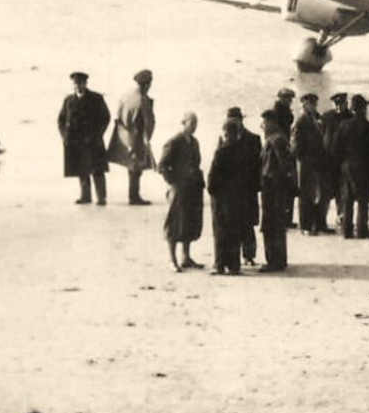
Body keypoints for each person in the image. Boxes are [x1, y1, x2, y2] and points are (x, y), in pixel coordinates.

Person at [206, 118, 257, 275]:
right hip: (239, 198)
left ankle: (220, 264)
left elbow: (212, 179)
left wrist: (214, 192)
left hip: (222, 199)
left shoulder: (221, 152)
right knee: (235, 232)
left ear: (226, 133)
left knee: (221, 232)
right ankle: (234, 266)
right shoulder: (244, 151)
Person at [157, 111, 206, 272]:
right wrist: (173, 182)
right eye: (191, 123)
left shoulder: (194, 142)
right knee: (174, 222)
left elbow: (197, 163)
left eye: (196, 124)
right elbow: (162, 166)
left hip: (192, 188)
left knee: (189, 221)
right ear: (183, 123)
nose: (194, 126)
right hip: (178, 188)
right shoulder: (174, 142)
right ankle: (172, 260)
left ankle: (186, 257)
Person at [58, 71, 110, 205]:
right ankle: (85, 196)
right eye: (75, 84)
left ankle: (101, 198)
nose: (78, 86)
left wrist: (98, 134)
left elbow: (105, 117)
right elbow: (61, 120)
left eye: (80, 83)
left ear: (85, 84)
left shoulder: (96, 99)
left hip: (93, 140)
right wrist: (65, 136)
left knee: (97, 170)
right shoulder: (69, 100)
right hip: (76, 141)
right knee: (81, 169)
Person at [107, 69, 157, 205]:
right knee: (136, 168)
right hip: (137, 136)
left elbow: (118, 115)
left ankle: (133, 195)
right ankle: (134, 197)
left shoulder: (127, 95)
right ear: (147, 84)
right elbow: (145, 123)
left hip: (125, 134)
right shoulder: (142, 100)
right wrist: (144, 140)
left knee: (132, 167)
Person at [333, 93, 369, 238]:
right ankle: (362, 230)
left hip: (347, 166)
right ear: (363, 108)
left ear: (352, 109)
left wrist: (342, 164)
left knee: (348, 200)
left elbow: (335, 148)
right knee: (363, 201)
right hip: (363, 166)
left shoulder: (344, 125)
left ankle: (347, 231)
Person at [223, 107, 263, 266]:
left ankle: (248, 255)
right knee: (232, 223)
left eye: (234, 120)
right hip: (231, 189)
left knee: (247, 223)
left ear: (240, 120)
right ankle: (232, 256)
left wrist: (255, 185)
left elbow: (258, 165)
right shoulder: (224, 138)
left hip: (247, 188)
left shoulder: (253, 139)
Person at [257, 110, 296, 272]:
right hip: (272, 187)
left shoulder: (276, 140)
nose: (262, 126)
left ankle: (274, 260)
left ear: (272, 122)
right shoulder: (275, 139)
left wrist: (280, 184)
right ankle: (279, 259)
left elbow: (285, 166)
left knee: (271, 224)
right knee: (275, 224)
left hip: (274, 188)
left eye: (265, 123)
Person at [290, 92, 330, 234]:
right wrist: (304, 158)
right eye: (310, 104)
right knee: (305, 194)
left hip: (316, 162)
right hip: (305, 162)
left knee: (317, 194)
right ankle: (305, 225)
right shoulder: (300, 121)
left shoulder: (316, 119)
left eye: (314, 104)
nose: (313, 107)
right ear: (304, 105)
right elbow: (294, 145)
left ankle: (318, 224)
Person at [318, 92, 351, 233]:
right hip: (327, 161)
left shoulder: (351, 118)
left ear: (346, 104)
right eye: (336, 103)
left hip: (343, 161)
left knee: (342, 193)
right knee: (325, 193)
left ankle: (341, 220)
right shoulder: (326, 117)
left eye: (341, 103)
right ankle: (322, 222)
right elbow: (320, 136)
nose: (339, 106)